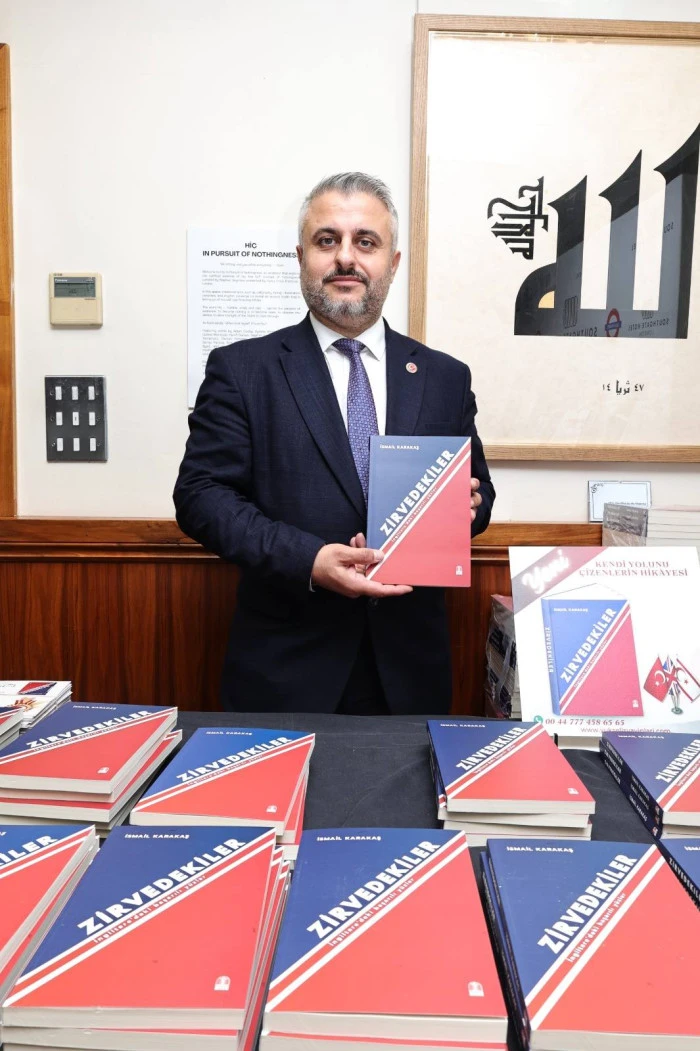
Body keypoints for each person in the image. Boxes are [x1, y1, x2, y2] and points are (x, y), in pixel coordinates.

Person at [174, 172, 495, 715]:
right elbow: (201, 497)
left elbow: (479, 495)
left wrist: (466, 507)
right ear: (302, 257)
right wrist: (309, 560)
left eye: (365, 241)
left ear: (392, 262)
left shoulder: (444, 377)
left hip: (409, 675)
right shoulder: (243, 369)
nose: (346, 257)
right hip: (286, 672)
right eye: (328, 240)